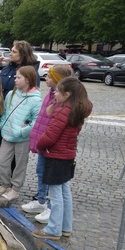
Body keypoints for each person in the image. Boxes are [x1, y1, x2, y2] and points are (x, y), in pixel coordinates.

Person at [32, 78, 92, 240]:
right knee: (65, 192)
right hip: (67, 155)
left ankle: (53, 229)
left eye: (58, 91)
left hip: (56, 156)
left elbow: (51, 136)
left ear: (67, 94)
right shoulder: (76, 110)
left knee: (56, 194)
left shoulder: (63, 111)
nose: (55, 94)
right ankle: (66, 226)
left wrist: (39, 144)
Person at [21, 65, 74, 223]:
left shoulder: (61, 100)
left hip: (52, 146)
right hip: (45, 142)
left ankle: (50, 208)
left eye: (50, 77)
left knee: (53, 180)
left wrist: (44, 141)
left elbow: (55, 125)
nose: (46, 79)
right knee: (41, 172)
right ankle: (41, 200)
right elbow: (43, 118)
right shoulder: (51, 95)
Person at [0, 66, 42, 202]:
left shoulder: (36, 100)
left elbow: (36, 121)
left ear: (28, 80)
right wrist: (2, 125)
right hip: (7, 134)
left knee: (19, 164)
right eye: (15, 77)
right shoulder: (11, 94)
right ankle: (5, 184)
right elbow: (5, 111)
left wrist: (22, 131)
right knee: (1, 162)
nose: (15, 80)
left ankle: (15, 189)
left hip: (22, 138)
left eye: (18, 77)